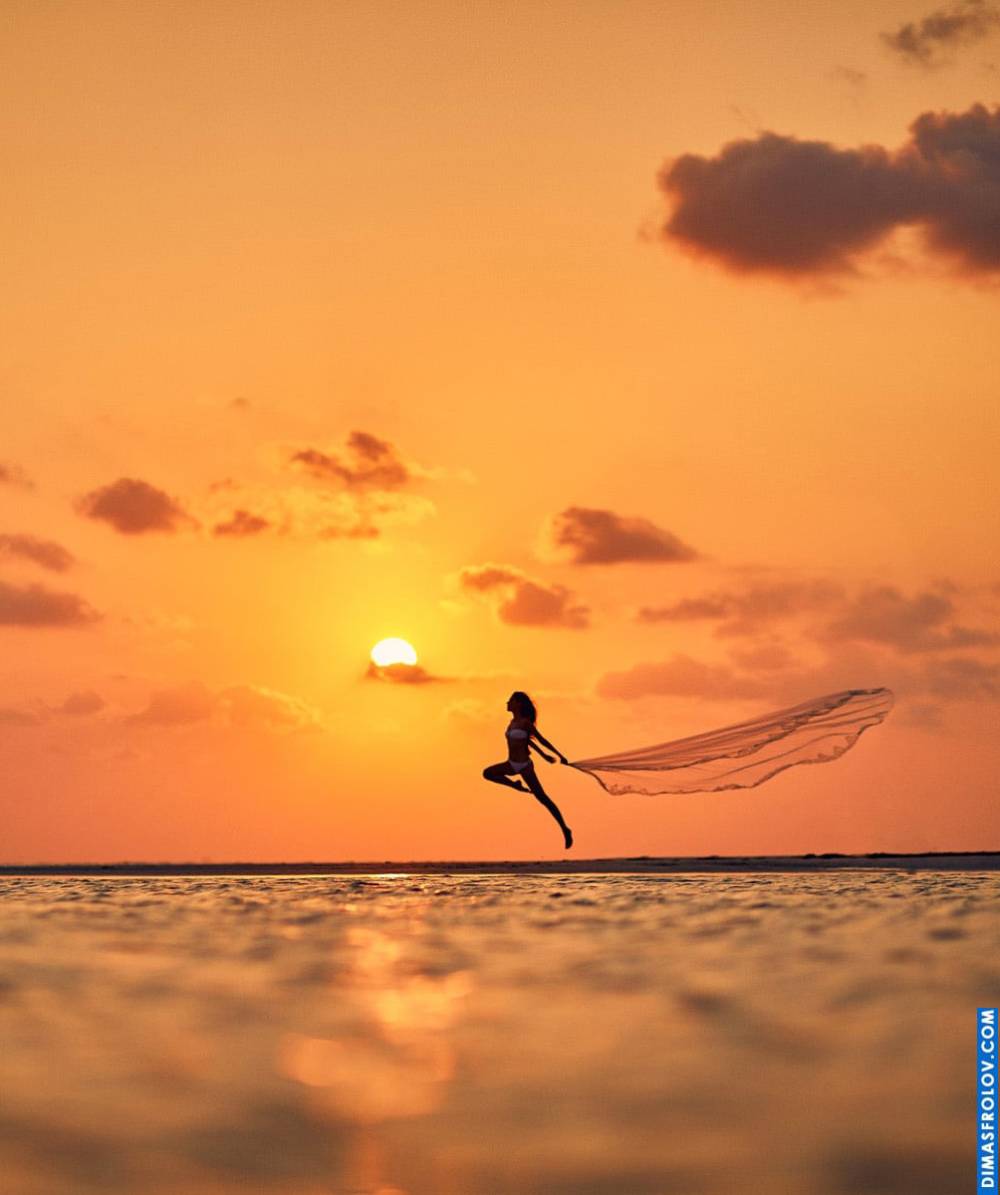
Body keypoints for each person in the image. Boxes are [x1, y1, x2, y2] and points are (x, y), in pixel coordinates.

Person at [482, 691, 573, 849]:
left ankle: (565, 829)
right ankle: (515, 785)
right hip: (511, 763)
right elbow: (526, 741)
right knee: (488, 773)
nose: (507, 703)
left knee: (542, 797)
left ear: (518, 703)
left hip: (524, 765)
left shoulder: (525, 723)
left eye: (510, 700)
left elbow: (541, 739)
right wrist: (542, 755)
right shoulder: (511, 723)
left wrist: (559, 755)